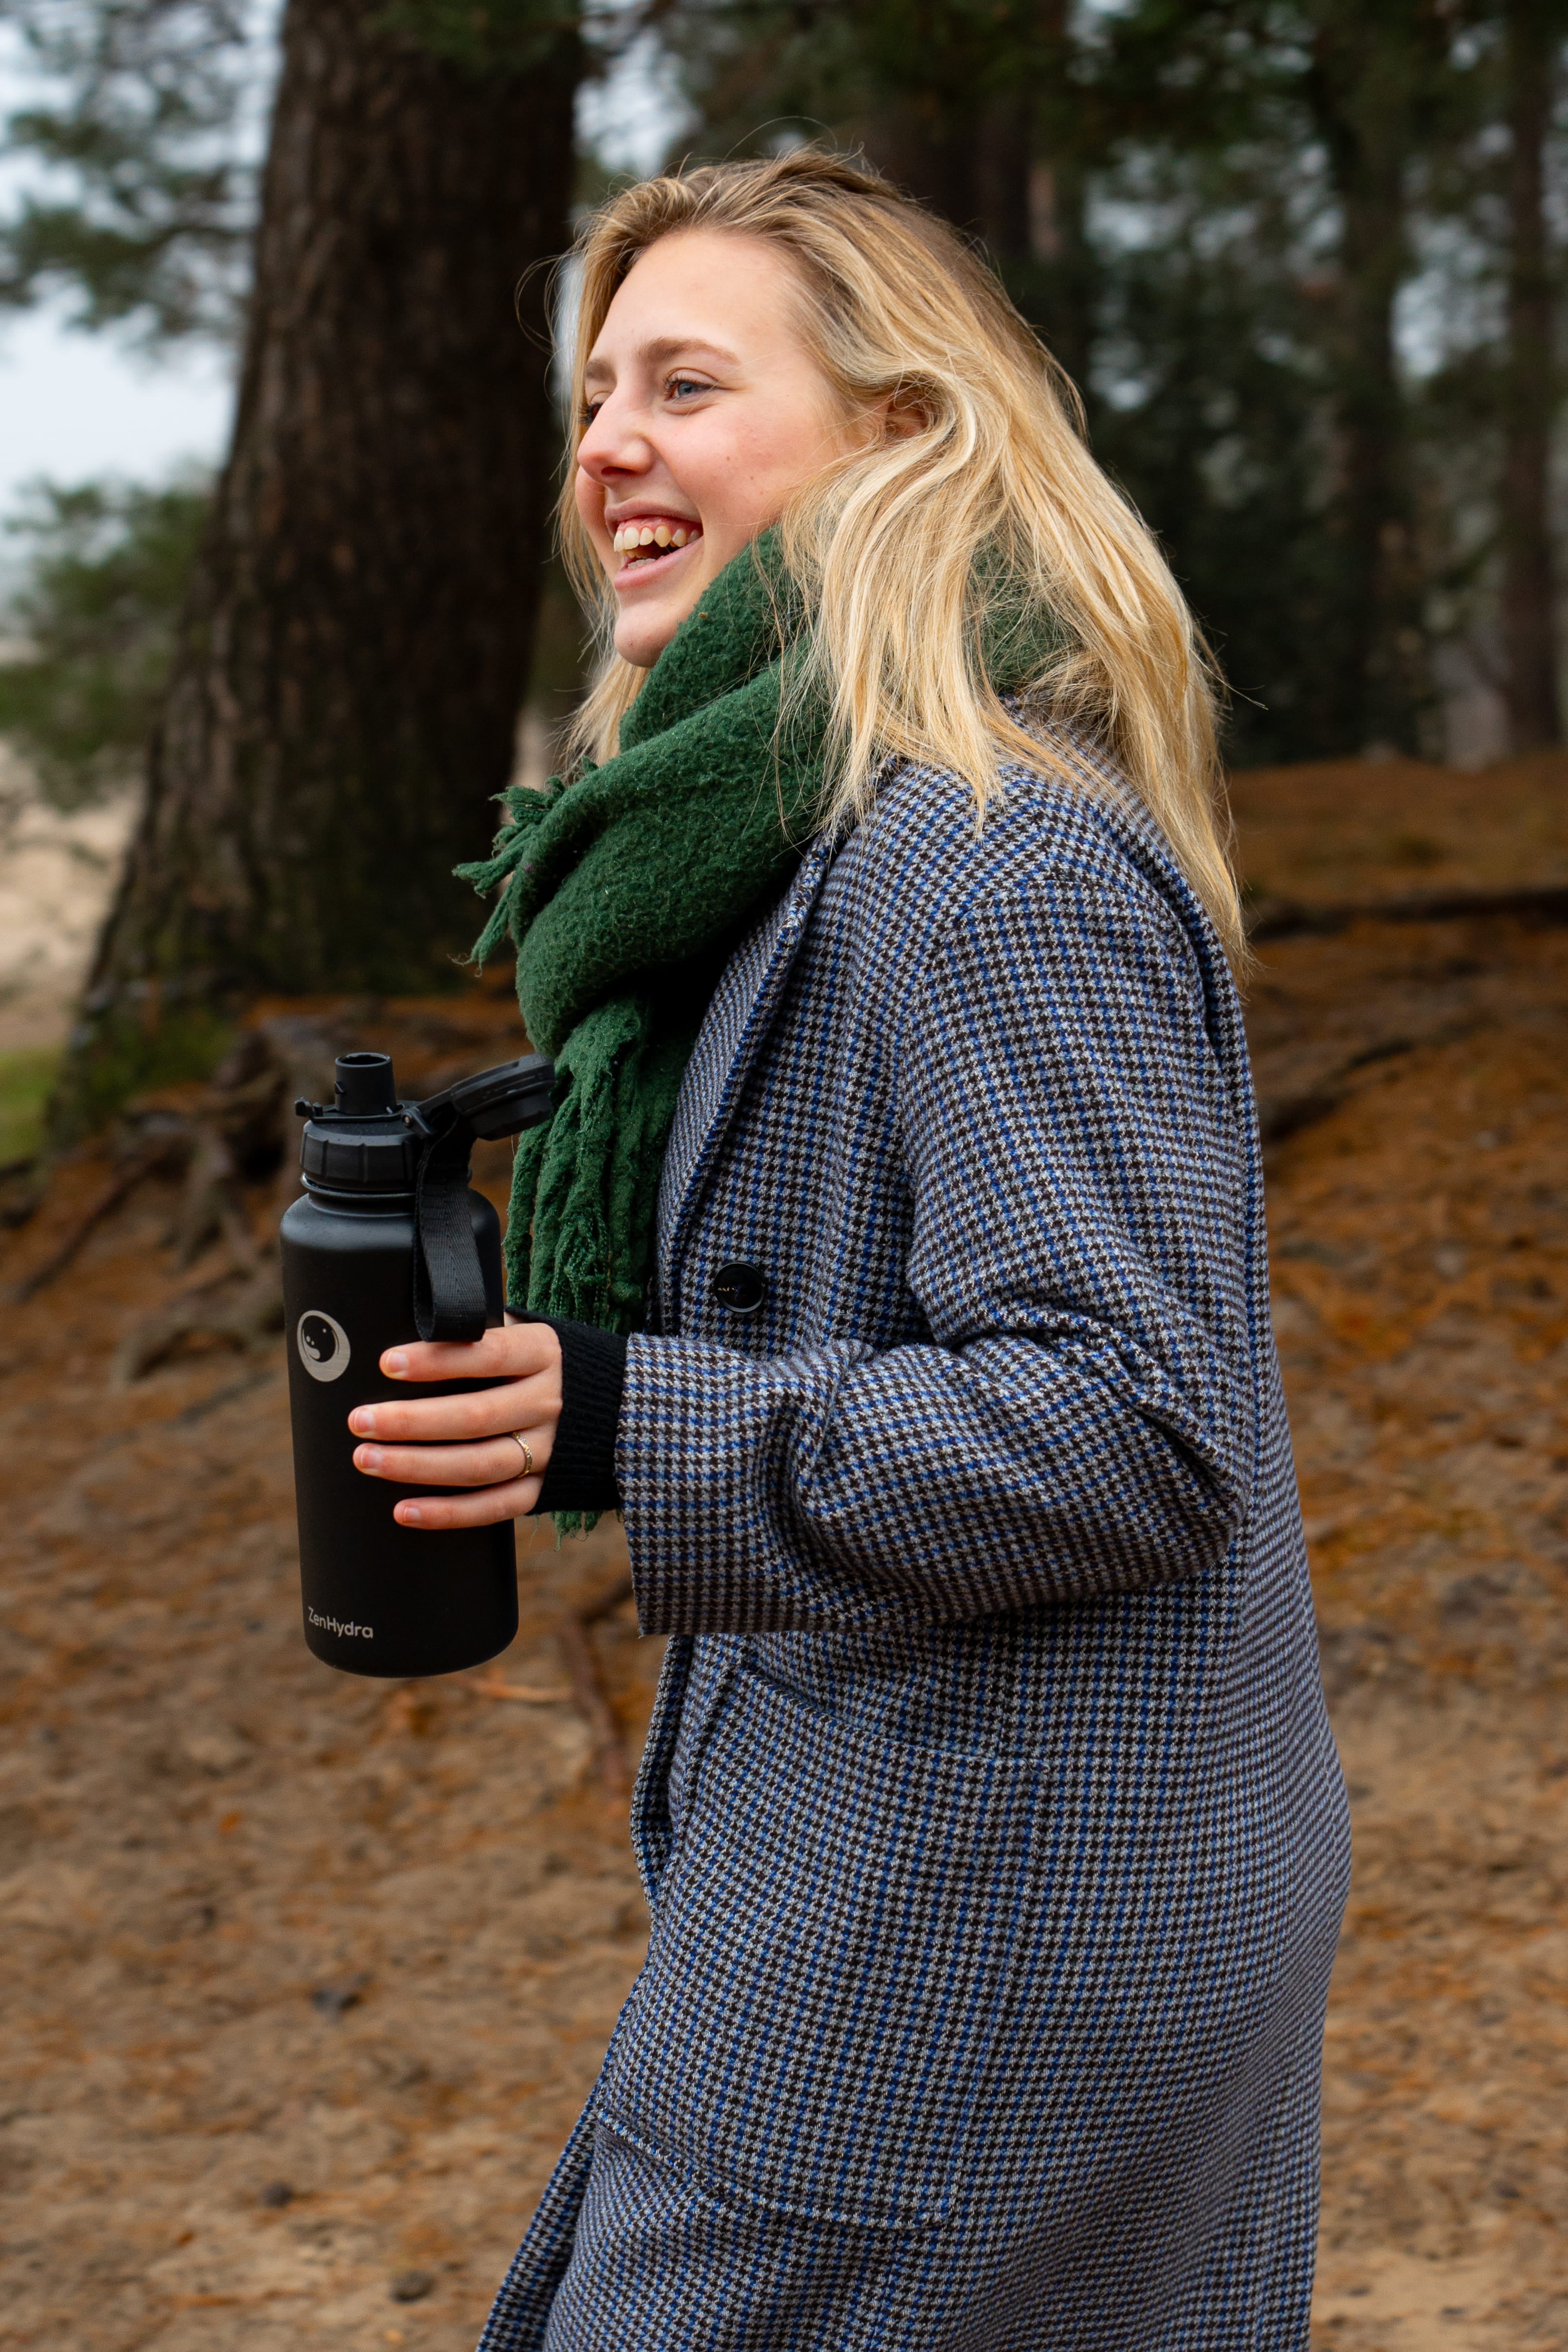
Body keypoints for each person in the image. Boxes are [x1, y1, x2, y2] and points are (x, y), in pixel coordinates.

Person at [345, 150, 1351, 2351]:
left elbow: (1135, 1414)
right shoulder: (803, 848)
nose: (606, 439)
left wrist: (614, 1407)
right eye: (598, 391)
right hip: (933, 1871)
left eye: (687, 384)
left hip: (986, 1939)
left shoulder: (984, 863)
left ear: (900, 433)